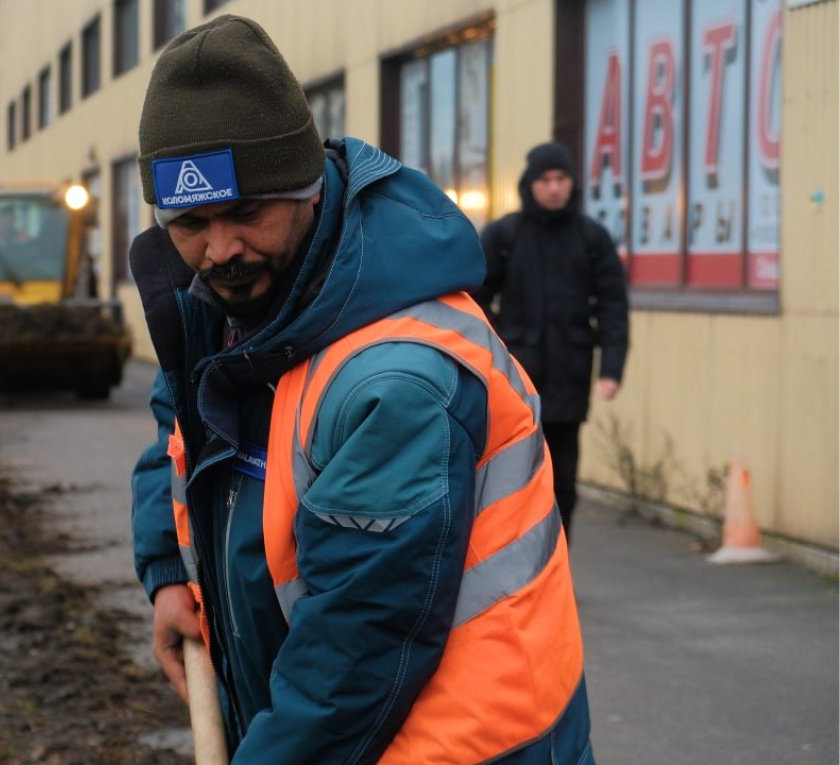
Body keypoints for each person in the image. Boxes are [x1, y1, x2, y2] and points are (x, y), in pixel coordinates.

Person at [128, 16, 593, 763]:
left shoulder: (397, 377)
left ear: (308, 189)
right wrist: (167, 573)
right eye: (190, 222)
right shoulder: (231, 304)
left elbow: (354, 654)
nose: (220, 250)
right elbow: (179, 422)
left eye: (247, 212)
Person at [472, 142, 629, 536]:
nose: (554, 188)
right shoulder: (505, 236)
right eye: (545, 180)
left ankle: (556, 571)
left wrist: (611, 369)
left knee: (563, 482)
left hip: (569, 377)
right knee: (509, 478)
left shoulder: (591, 238)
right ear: (531, 184)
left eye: (562, 179)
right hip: (513, 380)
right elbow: (473, 297)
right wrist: (497, 348)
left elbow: (612, 305)